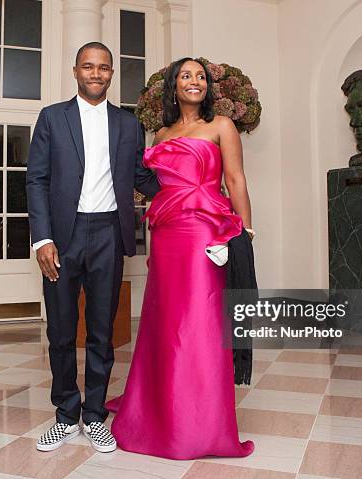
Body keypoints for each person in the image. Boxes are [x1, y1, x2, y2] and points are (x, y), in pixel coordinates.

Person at [105, 57, 255, 459]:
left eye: (201, 76)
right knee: (166, 322)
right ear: (173, 86)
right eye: (186, 76)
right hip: (167, 233)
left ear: (209, 86)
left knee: (202, 321)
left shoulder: (222, 126)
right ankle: (161, 411)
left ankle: (202, 423)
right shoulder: (161, 133)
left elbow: (235, 179)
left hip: (206, 230)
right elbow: (156, 186)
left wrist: (246, 230)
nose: (195, 82)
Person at [26, 42, 159, 454]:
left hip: (108, 235)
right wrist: (42, 238)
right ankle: (66, 415)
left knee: (102, 333)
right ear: (75, 71)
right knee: (62, 331)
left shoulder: (128, 124)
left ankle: (96, 415)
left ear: (112, 73)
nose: (96, 73)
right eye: (88, 66)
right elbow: (37, 180)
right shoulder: (52, 118)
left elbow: (142, 176)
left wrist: (192, 188)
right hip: (62, 237)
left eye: (103, 67)